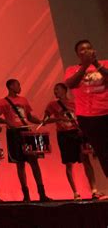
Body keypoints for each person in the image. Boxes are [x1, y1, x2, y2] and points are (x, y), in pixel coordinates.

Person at [44, 82, 107, 200]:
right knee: (69, 164)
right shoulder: (52, 105)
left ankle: (94, 190)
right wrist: (58, 118)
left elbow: (82, 118)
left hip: (77, 133)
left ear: (64, 90)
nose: (55, 91)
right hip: (63, 134)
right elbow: (45, 120)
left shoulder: (74, 103)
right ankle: (75, 192)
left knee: (85, 160)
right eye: (54, 89)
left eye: (57, 89)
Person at [0, 79, 51, 202]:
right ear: (10, 86)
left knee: (34, 162)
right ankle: (26, 194)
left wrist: (40, 121)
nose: (19, 87)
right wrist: (6, 121)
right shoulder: (2, 102)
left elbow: (29, 117)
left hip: (26, 132)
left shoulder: (23, 100)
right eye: (17, 85)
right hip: (14, 133)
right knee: (20, 164)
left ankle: (42, 193)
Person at [64, 40, 108, 177]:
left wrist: (95, 63)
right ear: (77, 54)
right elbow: (71, 84)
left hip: (106, 111)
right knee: (103, 151)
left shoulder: (105, 64)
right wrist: (85, 66)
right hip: (88, 117)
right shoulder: (72, 69)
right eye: (82, 50)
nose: (86, 51)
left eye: (89, 48)